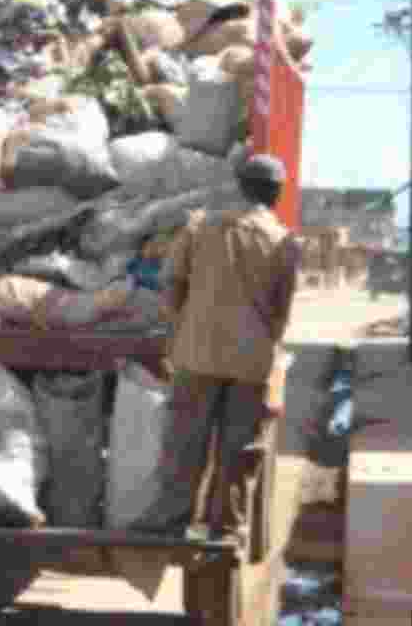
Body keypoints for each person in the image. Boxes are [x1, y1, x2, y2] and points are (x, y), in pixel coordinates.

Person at [136, 154, 301, 537]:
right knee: (240, 448)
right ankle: (227, 525)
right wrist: (266, 343)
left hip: (196, 354)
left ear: (241, 186)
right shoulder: (283, 242)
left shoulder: (199, 228)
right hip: (252, 362)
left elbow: (172, 284)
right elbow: (282, 311)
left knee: (184, 442)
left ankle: (169, 519)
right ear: (277, 194)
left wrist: (183, 326)